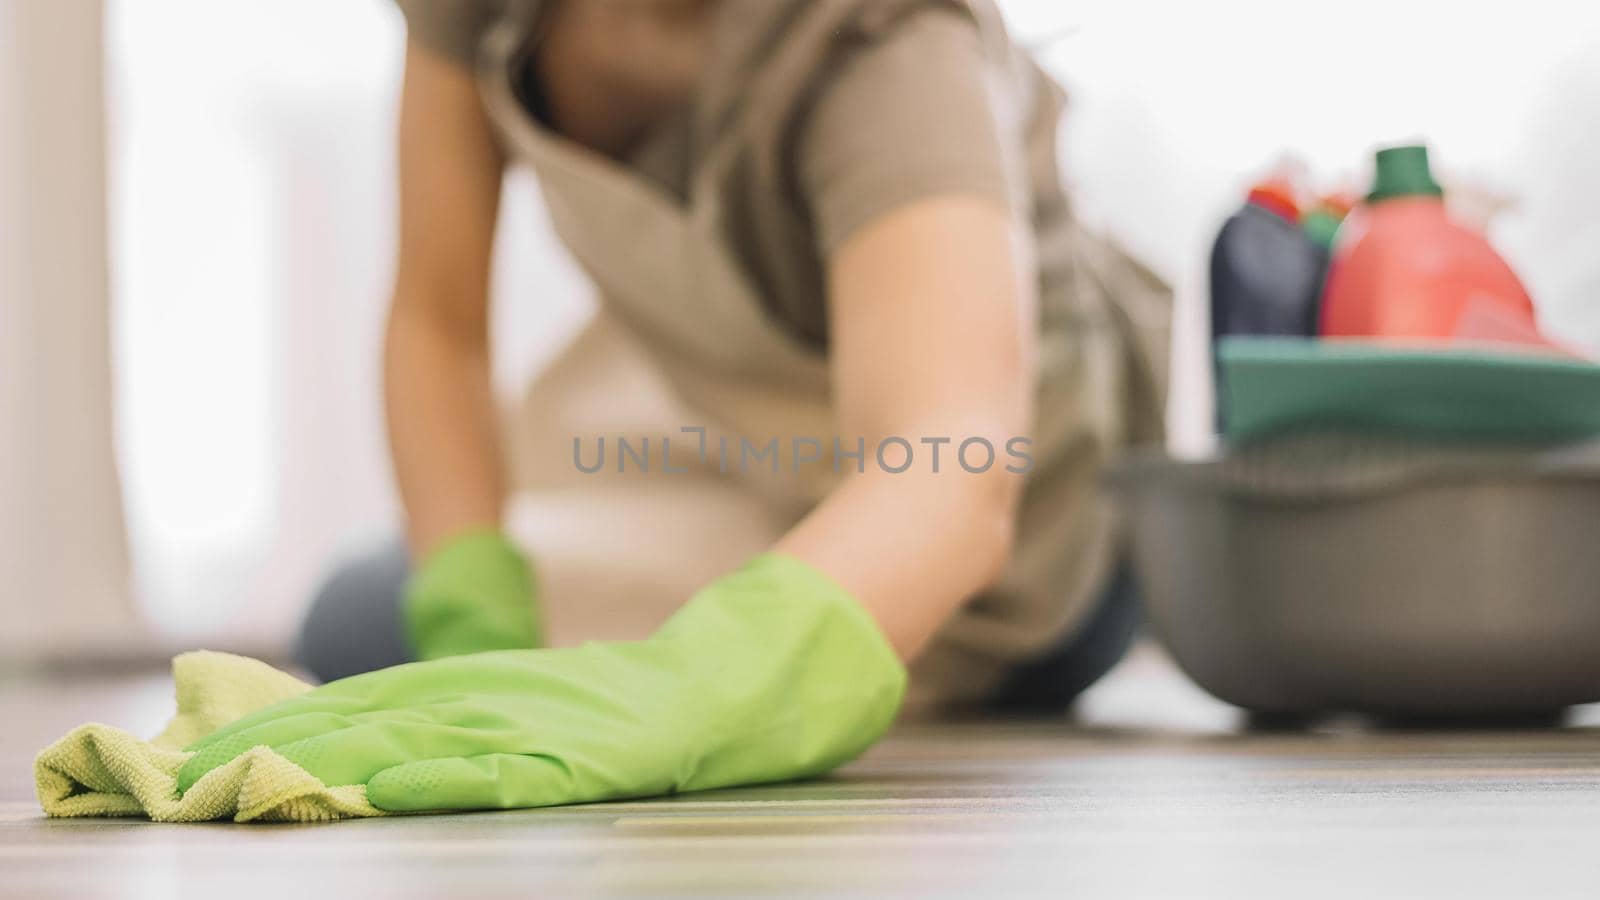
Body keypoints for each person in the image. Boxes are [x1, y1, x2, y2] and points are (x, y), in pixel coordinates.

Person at [179, 0, 1170, 811]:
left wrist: (688, 689)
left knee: (363, 630)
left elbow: (951, 463)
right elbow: (440, 326)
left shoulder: (885, 42)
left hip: (1015, 551)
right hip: (777, 466)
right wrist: (475, 624)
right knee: (367, 614)